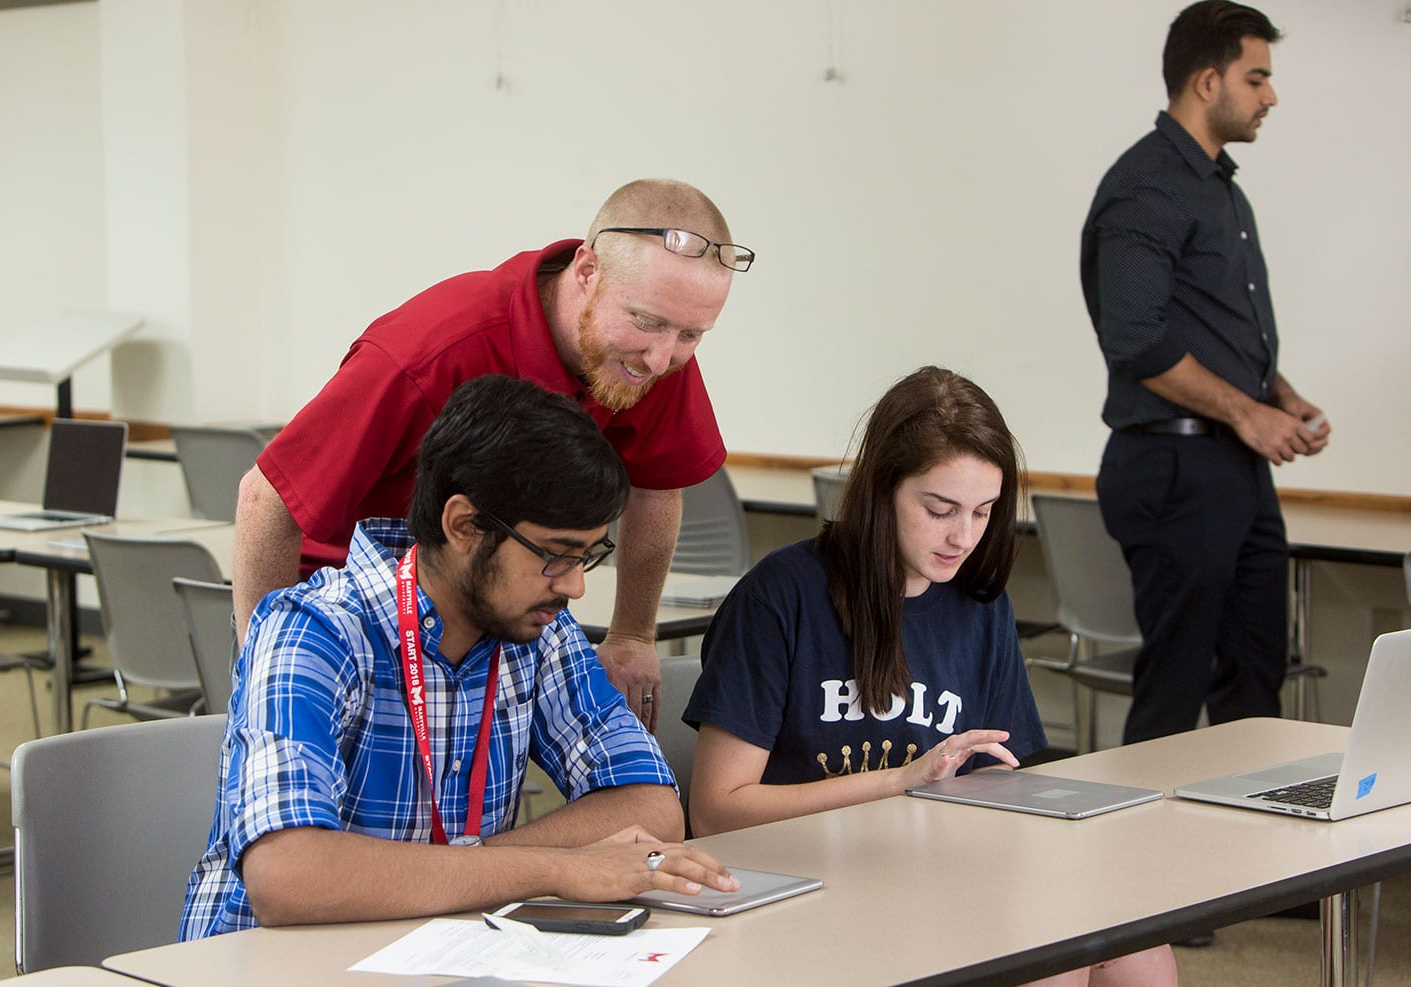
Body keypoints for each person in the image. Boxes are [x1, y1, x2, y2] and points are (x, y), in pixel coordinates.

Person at [180, 376, 738, 939]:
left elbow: (652, 807)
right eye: (555, 556)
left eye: (586, 557)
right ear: (464, 526)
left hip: (439, 945)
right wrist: (557, 866)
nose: (573, 587)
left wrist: (456, 872)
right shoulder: (313, 631)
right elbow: (288, 877)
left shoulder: (536, 628)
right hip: (267, 962)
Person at [682, 367, 1177, 986]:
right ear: (881, 490)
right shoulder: (780, 597)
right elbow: (716, 813)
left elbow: (1000, 782)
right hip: (804, 882)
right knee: (1053, 973)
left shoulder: (980, 604)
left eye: (984, 511)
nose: (964, 536)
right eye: (940, 509)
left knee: (1138, 947)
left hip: (931, 873)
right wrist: (901, 783)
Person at [233, 178, 754, 731]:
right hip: (351, 616)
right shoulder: (428, 354)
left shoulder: (650, 351)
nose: (662, 358)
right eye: (647, 323)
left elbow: (657, 484)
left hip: (496, 603)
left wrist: (631, 635)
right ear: (587, 271)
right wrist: (272, 669)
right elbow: (266, 499)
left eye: (692, 335)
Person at [1080, 0, 1328, 746]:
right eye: (1258, 78)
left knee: (1256, 673)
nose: (1271, 96)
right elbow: (1136, 339)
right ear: (1207, 80)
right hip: (1174, 463)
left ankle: (1257, 857)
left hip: (1233, 464)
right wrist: (1247, 412)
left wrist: (1278, 395)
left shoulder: (1220, 188)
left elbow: (1216, 328)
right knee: (1176, 685)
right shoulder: (1146, 188)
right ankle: (1140, 862)